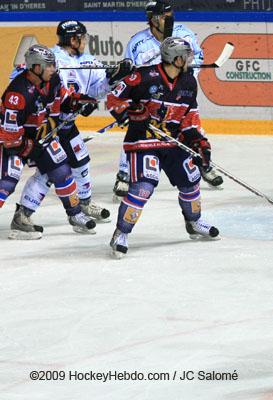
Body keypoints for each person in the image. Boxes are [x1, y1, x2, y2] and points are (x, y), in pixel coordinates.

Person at [6, 21, 135, 238]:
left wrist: (113, 77)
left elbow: (97, 89)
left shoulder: (88, 61)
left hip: (67, 123)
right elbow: (22, 80)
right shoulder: (51, 58)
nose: (85, 41)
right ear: (73, 39)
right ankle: (24, 213)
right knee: (50, 171)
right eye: (82, 37)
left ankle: (82, 204)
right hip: (47, 125)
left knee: (81, 161)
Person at [106, 37, 219, 258]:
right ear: (177, 59)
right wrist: (131, 112)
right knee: (143, 187)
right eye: (186, 56)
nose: (190, 60)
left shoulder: (188, 82)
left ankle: (194, 222)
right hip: (142, 142)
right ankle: (121, 233)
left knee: (191, 180)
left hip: (172, 141)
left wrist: (199, 142)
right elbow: (113, 98)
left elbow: (190, 118)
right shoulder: (144, 76)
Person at [112, 0, 223, 201]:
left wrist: (187, 74)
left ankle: (203, 164)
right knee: (138, 132)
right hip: (152, 95)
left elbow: (198, 56)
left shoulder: (185, 33)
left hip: (178, 91)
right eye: (164, 15)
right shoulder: (137, 42)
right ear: (153, 19)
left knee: (191, 127)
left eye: (170, 13)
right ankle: (125, 174)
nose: (169, 18)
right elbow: (131, 71)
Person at [0, 45, 96, 239]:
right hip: (11, 141)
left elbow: (64, 98)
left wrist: (78, 102)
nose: (54, 68)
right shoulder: (17, 94)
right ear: (36, 67)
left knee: (62, 171)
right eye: (49, 65)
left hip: (39, 137)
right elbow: (9, 138)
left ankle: (73, 215)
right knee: (7, 181)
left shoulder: (52, 80)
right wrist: (29, 148)